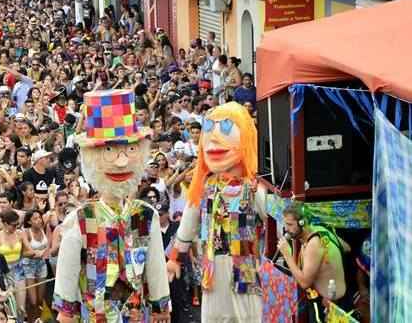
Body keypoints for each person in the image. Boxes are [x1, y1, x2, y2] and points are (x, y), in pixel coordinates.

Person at [54, 89, 170, 323]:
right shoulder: (81, 218)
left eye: (129, 150)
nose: (121, 160)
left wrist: (161, 305)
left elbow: (156, 265)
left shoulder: (146, 215)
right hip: (93, 315)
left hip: (136, 315)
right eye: (109, 150)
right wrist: (66, 311)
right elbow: (68, 270)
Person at [167, 102, 264, 322]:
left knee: (246, 314)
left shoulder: (252, 186)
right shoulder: (205, 185)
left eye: (228, 129)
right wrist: (175, 257)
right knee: (213, 315)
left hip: (244, 266)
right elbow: (188, 225)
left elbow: (276, 215)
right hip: (211, 267)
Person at [278, 205, 349, 323]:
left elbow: (305, 283)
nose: (286, 229)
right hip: (335, 301)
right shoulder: (321, 231)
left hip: (329, 309)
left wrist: (287, 255)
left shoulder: (313, 244)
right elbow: (346, 248)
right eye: (285, 224)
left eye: (290, 224)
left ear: (302, 223)